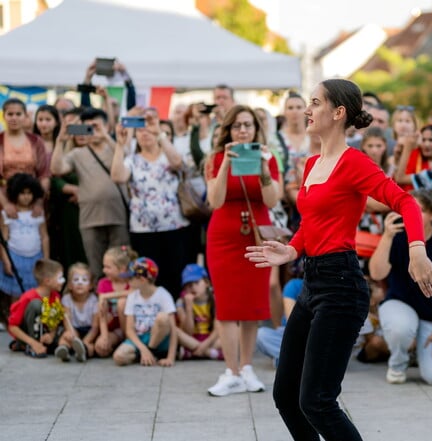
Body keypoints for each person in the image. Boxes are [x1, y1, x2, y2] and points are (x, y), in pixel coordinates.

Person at [244, 78, 432, 441]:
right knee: (285, 396)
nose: (307, 109)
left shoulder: (354, 162)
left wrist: (417, 249)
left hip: (341, 286)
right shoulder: (311, 163)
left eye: (315, 103)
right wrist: (291, 249)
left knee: (317, 401)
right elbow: (311, 223)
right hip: (312, 282)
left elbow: (406, 201)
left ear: (338, 113)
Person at [204, 105, 281, 397]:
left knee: (252, 304)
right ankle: (231, 371)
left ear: (256, 129)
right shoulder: (216, 158)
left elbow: (272, 200)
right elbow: (215, 200)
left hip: (257, 234)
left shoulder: (267, 157)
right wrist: (226, 163)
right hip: (224, 237)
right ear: (228, 130)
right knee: (226, 306)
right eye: (237, 126)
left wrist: (262, 169)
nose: (243, 130)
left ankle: (247, 367)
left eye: (248, 125)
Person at [370, 189, 432, 386]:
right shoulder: (398, 236)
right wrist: (386, 237)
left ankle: (418, 348)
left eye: (419, 210)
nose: (412, 214)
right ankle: (398, 363)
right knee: (400, 328)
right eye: (409, 209)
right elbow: (377, 273)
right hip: (400, 304)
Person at [110, 109, 189, 297]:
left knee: (174, 275)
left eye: (148, 130)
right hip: (143, 230)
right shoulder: (132, 160)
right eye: (140, 131)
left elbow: (178, 163)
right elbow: (117, 176)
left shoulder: (168, 155)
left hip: (173, 226)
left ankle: (174, 317)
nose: (144, 134)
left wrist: (159, 133)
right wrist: (120, 146)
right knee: (148, 276)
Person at [49, 107, 130, 279]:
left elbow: (128, 157)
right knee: (95, 267)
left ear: (107, 126)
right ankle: (99, 299)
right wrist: (59, 142)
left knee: (122, 265)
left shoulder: (116, 148)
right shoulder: (77, 153)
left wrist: (106, 136)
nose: (91, 131)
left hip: (117, 215)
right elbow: (56, 169)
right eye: (87, 127)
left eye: (95, 126)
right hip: (89, 218)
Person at [7, 259, 80, 360]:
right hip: (28, 335)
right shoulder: (28, 297)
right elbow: (12, 327)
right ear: (47, 281)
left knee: (64, 333)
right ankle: (29, 345)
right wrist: (33, 342)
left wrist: (51, 334)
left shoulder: (55, 296)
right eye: (60, 278)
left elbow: (55, 320)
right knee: (36, 305)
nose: (63, 281)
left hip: (44, 333)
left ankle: (61, 347)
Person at [112, 257, 177, 367]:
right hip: (140, 338)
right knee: (118, 357)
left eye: (130, 278)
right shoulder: (132, 297)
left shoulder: (163, 295)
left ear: (142, 279)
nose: (128, 281)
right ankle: (146, 354)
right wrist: (142, 349)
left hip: (159, 338)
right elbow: (129, 330)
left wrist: (171, 358)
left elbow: (173, 330)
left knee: (163, 317)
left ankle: (150, 351)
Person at [0, 173, 49, 297]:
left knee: (36, 294)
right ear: (14, 193)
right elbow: (3, 240)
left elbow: (44, 237)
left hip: (36, 258)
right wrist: (6, 261)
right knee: (16, 295)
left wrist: (46, 259)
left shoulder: (38, 213)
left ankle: (32, 316)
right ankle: (15, 316)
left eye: (29, 193)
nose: (26, 197)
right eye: (22, 193)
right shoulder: (7, 214)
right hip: (15, 257)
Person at [0, 98, 50, 218]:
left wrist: (38, 202)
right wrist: (6, 204)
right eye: (10, 114)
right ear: (4, 116)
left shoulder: (36, 141)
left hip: (32, 198)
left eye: (18, 114)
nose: (14, 118)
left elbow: (44, 175)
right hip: (4, 198)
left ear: (25, 116)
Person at [94, 246, 137, 358]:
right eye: (104, 266)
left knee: (122, 302)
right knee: (100, 348)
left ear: (122, 269)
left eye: (108, 267)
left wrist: (107, 295)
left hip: (132, 328)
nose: (104, 270)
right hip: (115, 330)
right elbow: (102, 314)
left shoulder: (132, 281)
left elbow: (133, 292)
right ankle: (117, 344)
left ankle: (129, 341)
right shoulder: (103, 283)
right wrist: (104, 336)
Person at [175, 264, 221, 360]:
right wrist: (189, 307)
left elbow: (218, 329)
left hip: (211, 340)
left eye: (196, 282)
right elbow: (188, 331)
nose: (192, 287)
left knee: (234, 329)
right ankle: (210, 353)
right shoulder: (181, 302)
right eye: (188, 285)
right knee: (174, 330)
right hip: (191, 340)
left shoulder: (215, 299)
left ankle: (195, 352)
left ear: (207, 283)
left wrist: (204, 345)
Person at [61, 262, 98, 360]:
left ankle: (83, 351)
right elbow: (67, 321)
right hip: (74, 329)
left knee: (90, 347)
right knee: (64, 337)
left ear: (90, 285)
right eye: (76, 279)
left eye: (84, 280)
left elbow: (95, 327)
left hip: (89, 330)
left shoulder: (94, 300)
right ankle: (64, 350)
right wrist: (72, 335)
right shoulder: (66, 299)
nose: (80, 283)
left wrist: (84, 342)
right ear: (69, 285)